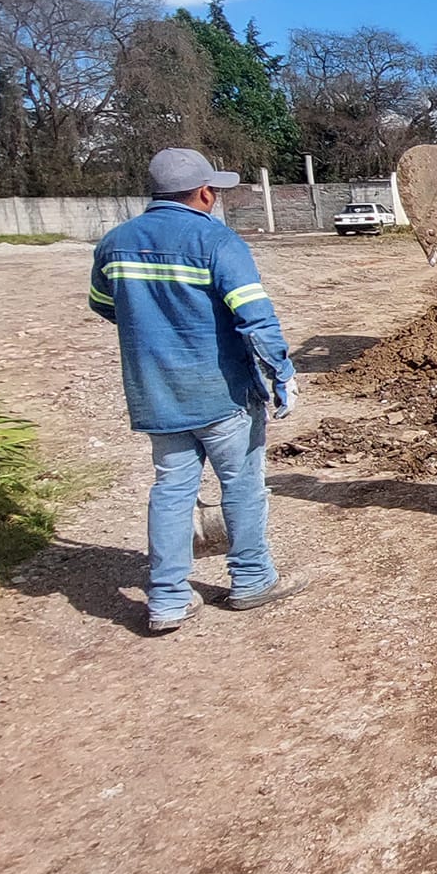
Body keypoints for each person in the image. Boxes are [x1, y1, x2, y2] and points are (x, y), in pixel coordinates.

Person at [90, 147, 306, 633]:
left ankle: (167, 598)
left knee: (171, 489)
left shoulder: (115, 242)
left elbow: (104, 304)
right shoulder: (216, 242)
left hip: (155, 393)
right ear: (205, 192)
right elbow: (253, 316)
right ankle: (251, 578)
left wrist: (154, 327)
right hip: (221, 391)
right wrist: (281, 371)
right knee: (243, 486)